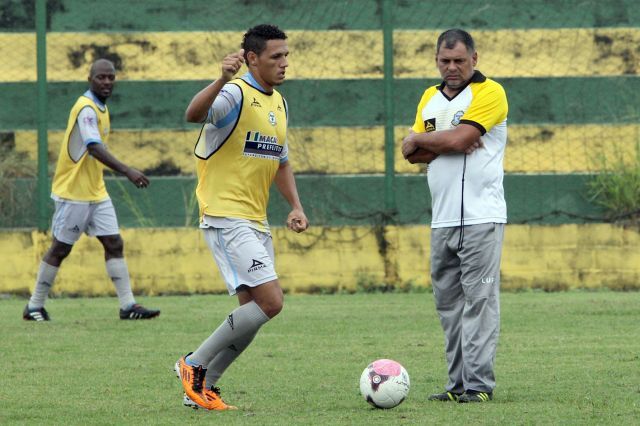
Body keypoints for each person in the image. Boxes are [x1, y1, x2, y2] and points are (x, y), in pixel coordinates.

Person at [176, 24, 309, 411]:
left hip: (255, 218)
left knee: (252, 309)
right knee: (271, 302)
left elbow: (280, 161)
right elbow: (193, 114)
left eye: (286, 55)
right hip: (225, 214)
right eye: (275, 57)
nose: (284, 63)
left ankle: (203, 389)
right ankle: (193, 363)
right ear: (252, 58)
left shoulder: (279, 103)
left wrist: (296, 206)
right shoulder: (235, 92)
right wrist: (220, 78)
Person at [401, 29, 508, 403]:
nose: (452, 67)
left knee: (479, 301)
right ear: (436, 60)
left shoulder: (490, 92)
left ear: (474, 59)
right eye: (445, 61)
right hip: (442, 220)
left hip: (482, 218)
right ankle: (457, 384)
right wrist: (446, 139)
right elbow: (410, 153)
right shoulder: (428, 97)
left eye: (459, 60)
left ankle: (479, 386)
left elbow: (454, 141)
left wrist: (431, 140)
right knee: (448, 306)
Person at [23, 59, 160, 322]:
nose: (107, 82)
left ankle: (128, 305)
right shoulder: (85, 108)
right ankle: (33, 306)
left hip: (96, 191)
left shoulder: (101, 108)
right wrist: (128, 171)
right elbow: (94, 147)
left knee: (113, 242)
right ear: (90, 79)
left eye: (111, 77)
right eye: (101, 77)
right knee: (60, 248)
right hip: (73, 192)